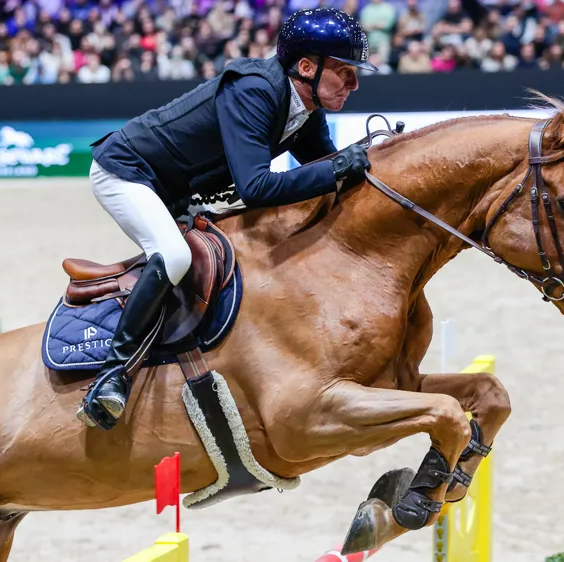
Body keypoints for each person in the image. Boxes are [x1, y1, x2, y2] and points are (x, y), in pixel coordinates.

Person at [77, 7, 378, 430]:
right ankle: (113, 376)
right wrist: (335, 168)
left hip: (177, 189)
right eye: (345, 71)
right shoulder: (254, 90)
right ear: (307, 67)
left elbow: (325, 167)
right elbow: (257, 187)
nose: (355, 83)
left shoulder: (305, 106)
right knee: (174, 256)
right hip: (127, 171)